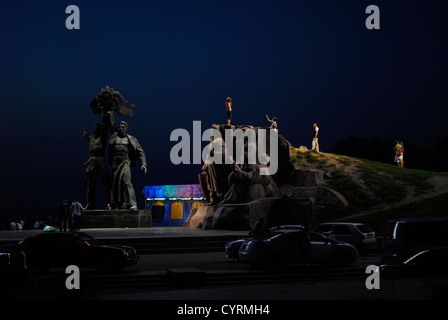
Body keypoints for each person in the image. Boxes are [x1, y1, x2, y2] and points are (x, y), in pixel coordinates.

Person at [108, 114, 147, 210]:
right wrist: (110, 114)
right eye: (120, 127)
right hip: (115, 165)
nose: (121, 128)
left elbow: (140, 152)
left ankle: (132, 204)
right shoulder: (114, 137)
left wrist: (143, 164)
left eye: (123, 127)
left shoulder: (131, 139)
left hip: (126, 164)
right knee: (116, 185)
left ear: (126, 128)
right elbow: (111, 124)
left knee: (127, 183)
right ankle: (118, 204)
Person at [79, 113, 111, 210]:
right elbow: (86, 135)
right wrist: (82, 132)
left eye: (97, 128)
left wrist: (104, 117)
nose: (95, 129)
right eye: (94, 128)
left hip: (101, 161)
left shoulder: (103, 138)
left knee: (107, 185)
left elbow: (105, 128)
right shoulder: (92, 139)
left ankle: (112, 204)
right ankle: (90, 204)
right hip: (92, 162)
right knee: (91, 185)